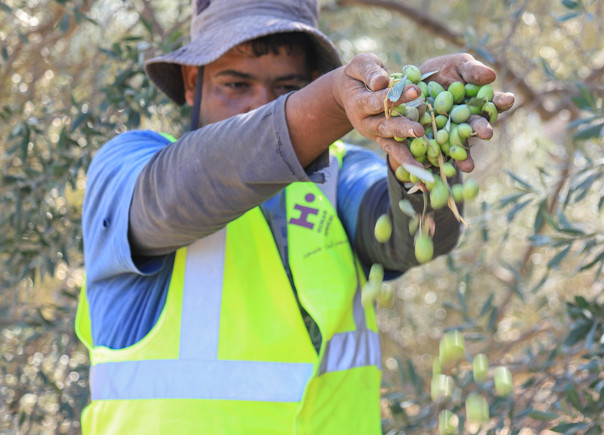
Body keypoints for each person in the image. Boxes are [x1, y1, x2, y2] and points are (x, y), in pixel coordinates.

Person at [75, 0, 513, 433]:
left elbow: (415, 237)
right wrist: (327, 104)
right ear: (193, 82)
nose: (259, 106)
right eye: (236, 85)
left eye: (287, 89)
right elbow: (173, 196)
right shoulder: (129, 169)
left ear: (307, 83)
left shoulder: (338, 176)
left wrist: (425, 136)